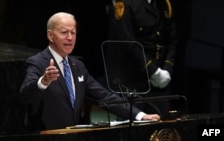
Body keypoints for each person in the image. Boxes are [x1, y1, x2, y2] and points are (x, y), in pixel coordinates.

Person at [19, 12, 160, 133]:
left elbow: (104, 96)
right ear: (50, 35)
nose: (70, 37)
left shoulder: (78, 66)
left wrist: (139, 115)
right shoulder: (37, 63)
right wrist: (43, 82)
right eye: (64, 32)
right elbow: (25, 95)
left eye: (73, 33)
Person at [109, 0, 177, 120]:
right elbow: (128, 42)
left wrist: (167, 70)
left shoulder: (164, 4)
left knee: (161, 130)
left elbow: (171, 41)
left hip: (160, 81)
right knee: (130, 130)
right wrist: (153, 71)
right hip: (134, 81)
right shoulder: (126, 3)